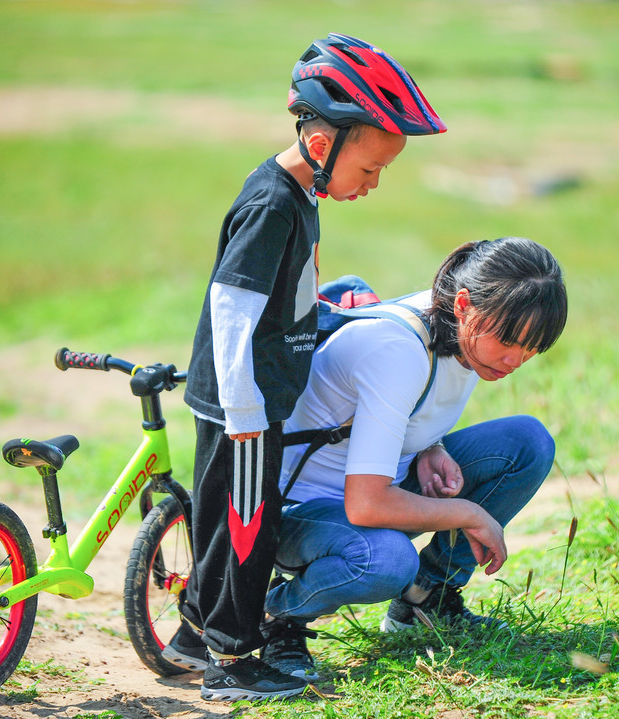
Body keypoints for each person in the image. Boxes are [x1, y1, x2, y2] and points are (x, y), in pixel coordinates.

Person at [163, 33, 446, 702]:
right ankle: (231, 663)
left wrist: (323, 309)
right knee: (245, 532)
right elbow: (231, 310)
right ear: (324, 145)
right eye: (370, 169)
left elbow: (279, 298)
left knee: (222, 522)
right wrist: (244, 414)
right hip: (246, 405)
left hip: (256, 397)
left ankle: (190, 637)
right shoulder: (272, 204)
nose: (373, 185)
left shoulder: (301, 197)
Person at [257, 236, 568, 682]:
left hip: (371, 489)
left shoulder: (463, 329)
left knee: (527, 443)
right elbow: (367, 506)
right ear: (464, 304)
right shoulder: (399, 349)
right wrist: (469, 513)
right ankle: (276, 616)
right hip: (300, 513)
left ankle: (426, 599)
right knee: (386, 561)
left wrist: (430, 447)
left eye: (532, 347)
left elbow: (408, 408)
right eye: (509, 341)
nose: (515, 359)